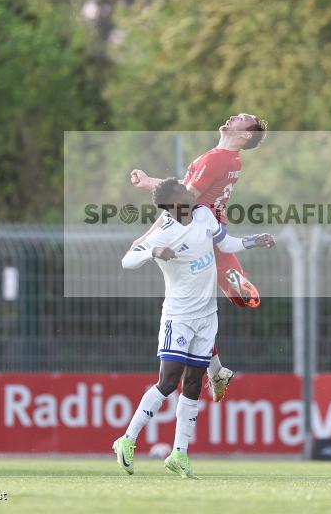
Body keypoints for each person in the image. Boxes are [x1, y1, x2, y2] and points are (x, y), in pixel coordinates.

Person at [114, 178, 275, 478]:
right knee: (168, 381)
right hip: (179, 317)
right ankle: (127, 439)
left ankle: (179, 454)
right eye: (183, 192)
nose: (190, 193)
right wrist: (153, 253)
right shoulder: (165, 233)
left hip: (207, 316)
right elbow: (127, 260)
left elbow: (226, 243)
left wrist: (255, 240)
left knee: (192, 385)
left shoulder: (203, 215)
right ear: (172, 205)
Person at [129, 113, 267, 402]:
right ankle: (217, 370)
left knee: (192, 309)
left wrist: (147, 238)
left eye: (243, 118)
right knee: (200, 311)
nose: (235, 116)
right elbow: (185, 186)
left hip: (197, 235)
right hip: (211, 233)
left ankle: (217, 367)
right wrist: (149, 183)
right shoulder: (229, 160)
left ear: (244, 135)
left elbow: (180, 199)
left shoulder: (217, 159)